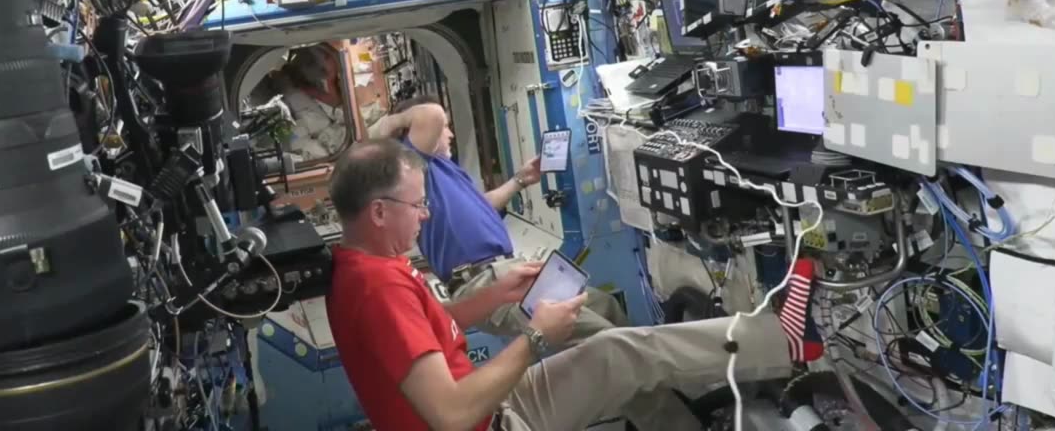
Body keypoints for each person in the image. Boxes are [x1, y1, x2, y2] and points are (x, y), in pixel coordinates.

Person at [325, 140, 797, 431]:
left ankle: (776, 345)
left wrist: (498, 294)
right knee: (623, 351)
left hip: (489, 404)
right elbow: (449, 415)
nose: (426, 215)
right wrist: (535, 339)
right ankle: (788, 341)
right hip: (488, 420)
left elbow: (427, 330)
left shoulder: (363, 266)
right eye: (418, 205)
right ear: (380, 212)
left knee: (620, 350)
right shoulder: (377, 288)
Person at [370, 96, 626, 345]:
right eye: (445, 128)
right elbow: (432, 114)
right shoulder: (413, 166)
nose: (449, 133)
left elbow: (482, 205)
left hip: (507, 269)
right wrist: (392, 122)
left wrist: (520, 179)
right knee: (605, 339)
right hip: (482, 282)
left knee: (606, 306)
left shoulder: (444, 170)